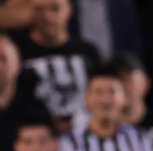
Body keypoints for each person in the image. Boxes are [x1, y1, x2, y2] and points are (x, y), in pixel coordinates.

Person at [13, 0, 100, 132]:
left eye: (55, 8)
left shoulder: (88, 52)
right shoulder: (15, 52)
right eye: (39, 9)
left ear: (69, 10)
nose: (47, 16)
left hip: (87, 131)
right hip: (34, 134)